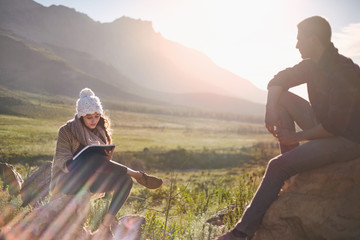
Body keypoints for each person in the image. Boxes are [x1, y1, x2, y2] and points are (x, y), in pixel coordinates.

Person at [217, 16, 360, 240]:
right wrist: (270, 107)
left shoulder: (345, 71)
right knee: (280, 95)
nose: (296, 45)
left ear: (313, 39)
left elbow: (334, 126)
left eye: (299, 39)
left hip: (348, 138)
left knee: (276, 166)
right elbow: (278, 79)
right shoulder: (312, 65)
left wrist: (296, 135)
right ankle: (294, 162)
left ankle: (240, 234)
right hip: (326, 126)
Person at [50, 88, 163, 238]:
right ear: (81, 116)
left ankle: (105, 225)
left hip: (91, 178)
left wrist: (97, 159)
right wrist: (85, 160)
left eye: (97, 116)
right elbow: (62, 161)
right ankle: (138, 175)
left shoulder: (100, 131)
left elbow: (103, 162)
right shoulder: (66, 130)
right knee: (93, 158)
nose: (93, 120)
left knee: (124, 180)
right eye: (89, 117)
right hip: (69, 179)